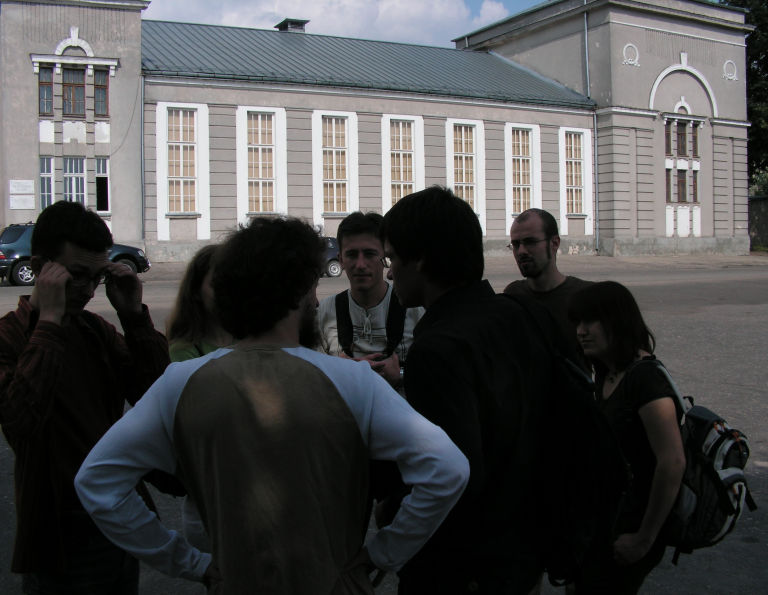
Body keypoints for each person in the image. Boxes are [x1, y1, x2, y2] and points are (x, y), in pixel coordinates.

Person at [74, 216, 469, 593]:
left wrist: (189, 563)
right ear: (299, 291)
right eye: (312, 286)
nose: (316, 300)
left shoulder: (180, 383)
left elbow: (97, 481)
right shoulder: (353, 382)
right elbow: (447, 467)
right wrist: (384, 553)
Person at [381, 186, 555, 594]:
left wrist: (385, 544)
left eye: (392, 259)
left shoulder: (436, 349)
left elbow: (453, 480)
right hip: (526, 544)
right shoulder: (519, 311)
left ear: (421, 260)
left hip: (466, 566)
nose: (389, 273)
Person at [0, 200, 170, 594]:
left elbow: (155, 395)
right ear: (40, 267)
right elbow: (21, 420)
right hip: (57, 534)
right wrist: (49, 323)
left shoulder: (94, 330)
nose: (89, 291)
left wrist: (133, 316)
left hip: (115, 518)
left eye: (97, 278)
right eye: (76, 276)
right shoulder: (10, 337)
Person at [568, 281, 686, 594]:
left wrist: (644, 539)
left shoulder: (645, 378)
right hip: (606, 521)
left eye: (590, 321)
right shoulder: (607, 373)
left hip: (630, 529)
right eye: (577, 323)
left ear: (617, 321)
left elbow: (672, 462)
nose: (581, 331)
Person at [165, 244, 233, 551]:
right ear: (196, 291)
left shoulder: (250, 335)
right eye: (218, 283)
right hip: (208, 495)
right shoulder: (185, 347)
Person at [317, 211, 423, 389]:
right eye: (352, 255)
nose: (360, 265)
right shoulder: (324, 312)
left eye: (369, 254)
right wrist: (337, 372)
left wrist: (400, 376)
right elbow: (311, 376)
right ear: (341, 260)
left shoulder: (414, 310)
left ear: (385, 257)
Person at [504, 208, 592, 365]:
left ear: (555, 243)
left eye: (530, 242)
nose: (521, 251)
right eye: (516, 244)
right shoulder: (513, 295)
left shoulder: (585, 296)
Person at [166, 244, 233, 362]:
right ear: (195, 290)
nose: (227, 291)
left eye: (232, 282)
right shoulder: (185, 351)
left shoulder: (254, 339)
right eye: (217, 283)